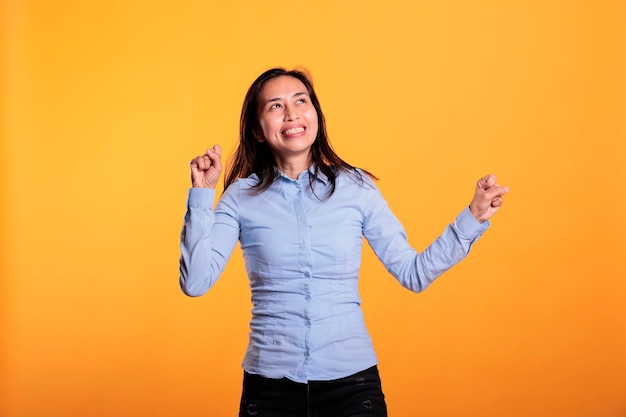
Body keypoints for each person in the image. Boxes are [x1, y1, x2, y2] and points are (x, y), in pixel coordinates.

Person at [179, 67, 509, 417]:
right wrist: (202, 194)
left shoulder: (356, 187)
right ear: (257, 131)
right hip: (269, 390)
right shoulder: (239, 197)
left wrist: (472, 217)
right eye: (275, 106)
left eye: (300, 101)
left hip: (352, 389)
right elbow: (196, 282)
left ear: (315, 115)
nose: (291, 114)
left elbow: (414, 273)